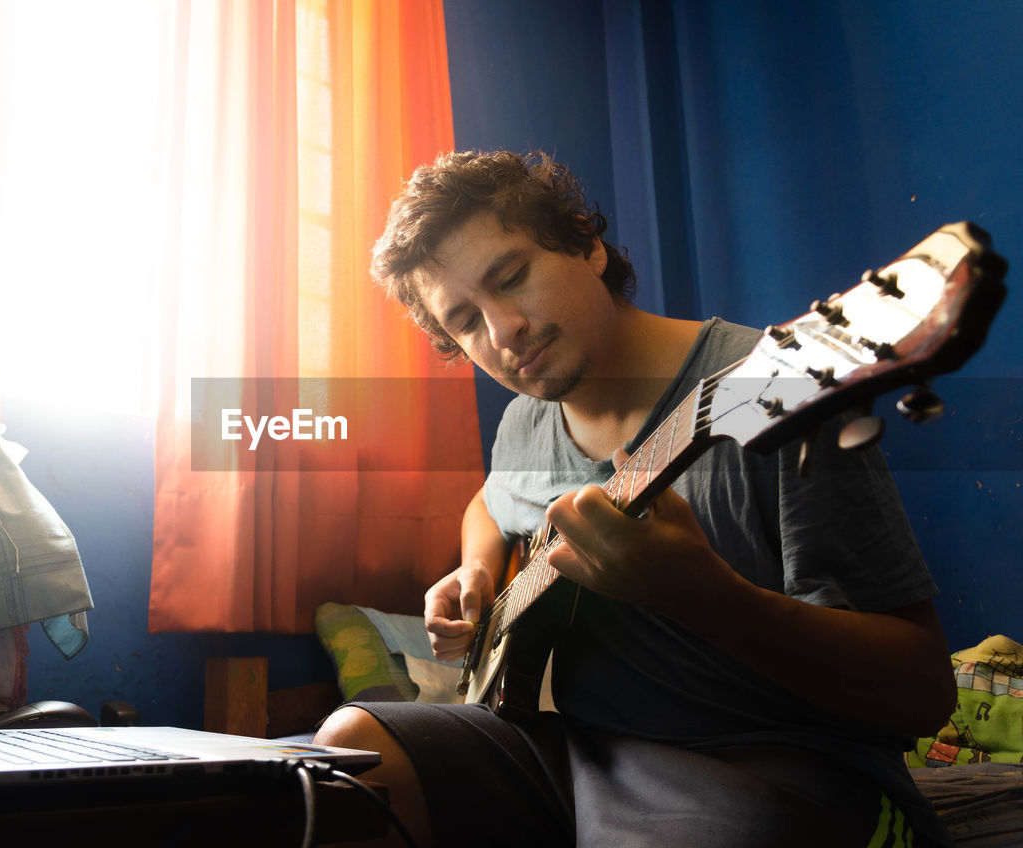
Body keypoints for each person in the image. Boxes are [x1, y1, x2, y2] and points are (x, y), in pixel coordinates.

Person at [313, 150, 956, 847]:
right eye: (466, 320)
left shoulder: (784, 391)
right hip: (576, 751)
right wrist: (475, 569)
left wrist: (703, 596)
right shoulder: (526, 420)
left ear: (588, 247)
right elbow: (490, 504)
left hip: (776, 765)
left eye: (512, 277)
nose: (502, 333)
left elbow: (922, 692)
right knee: (350, 755)